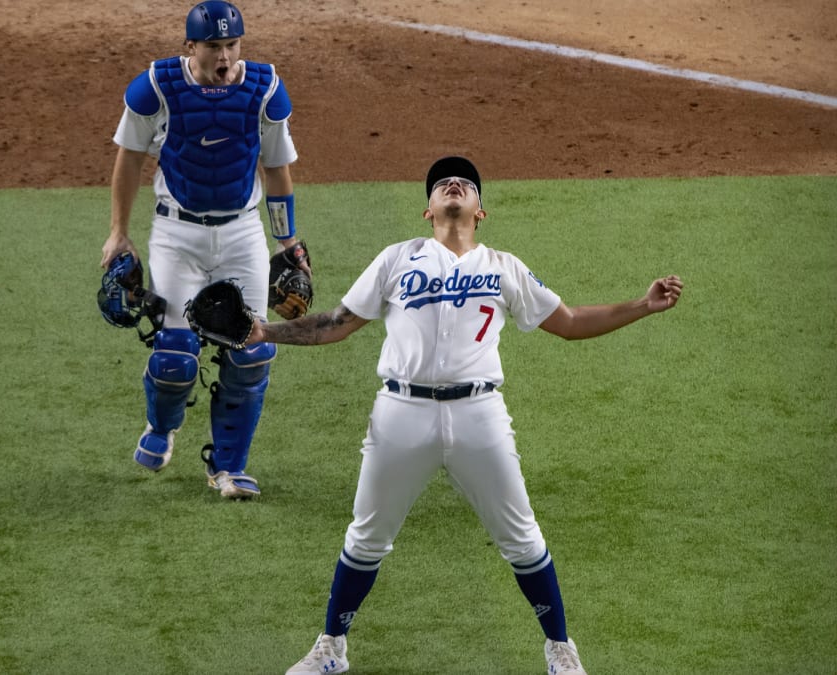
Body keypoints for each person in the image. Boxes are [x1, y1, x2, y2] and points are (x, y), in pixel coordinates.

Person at [248, 156, 684, 674]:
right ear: (427, 209)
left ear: (481, 212)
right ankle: (331, 648)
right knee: (366, 536)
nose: (454, 185)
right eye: (442, 184)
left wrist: (641, 305)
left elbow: (568, 322)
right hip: (400, 412)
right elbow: (337, 324)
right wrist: (265, 332)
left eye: (466, 185)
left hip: (480, 413)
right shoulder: (396, 259)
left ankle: (561, 652)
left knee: (522, 538)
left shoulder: (505, 267)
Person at [100, 1, 306, 499]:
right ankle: (161, 424)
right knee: (175, 359)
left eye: (232, 45)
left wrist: (288, 241)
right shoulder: (157, 89)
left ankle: (228, 469)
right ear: (190, 47)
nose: (224, 56)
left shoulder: (264, 92)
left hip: (242, 234)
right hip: (178, 236)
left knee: (253, 350)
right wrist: (118, 232)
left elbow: (277, 170)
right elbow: (128, 161)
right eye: (213, 46)